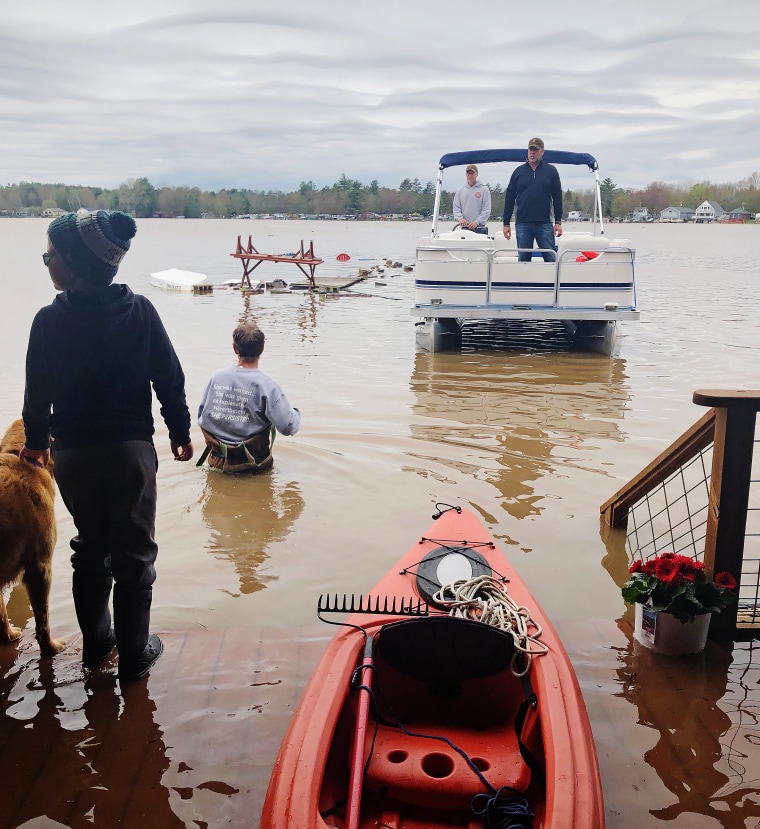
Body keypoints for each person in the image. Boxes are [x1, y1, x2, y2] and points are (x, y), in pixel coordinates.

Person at [20, 209, 193, 683]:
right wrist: (179, 431)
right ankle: (135, 655)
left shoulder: (47, 321)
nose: (46, 262)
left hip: (73, 456)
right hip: (130, 453)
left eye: (49, 255)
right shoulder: (140, 311)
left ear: (73, 265)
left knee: (90, 550)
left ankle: (98, 645)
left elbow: (37, 394)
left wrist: (36, 443)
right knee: (135, 554)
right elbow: (169, 379)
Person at [197, 322, 300, 473]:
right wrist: (296, 414)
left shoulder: (216, 378)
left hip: (217, 463)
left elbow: (202, 417)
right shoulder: (268, 386)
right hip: (253, 467)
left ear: (235, 349)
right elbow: (287, 426)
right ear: (262, 349)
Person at [502, 137, 563, 261]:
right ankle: (524, 280)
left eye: (535, 150)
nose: (532, 153)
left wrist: (558, 222)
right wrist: (506, 223)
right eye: (530, 150)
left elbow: (557, 196)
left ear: (542, 151)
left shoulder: (551, 171)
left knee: (551, 258)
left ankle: (553, 280)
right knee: (523, 259)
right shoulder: (518, 172)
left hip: (544, 223)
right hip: (523, 223)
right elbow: (509, 198)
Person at [453, 164, 491, 235]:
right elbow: (456, 207)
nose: (470, 176)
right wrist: (460, 218)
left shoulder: (484, 189)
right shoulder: (460, 191)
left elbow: (486, 210)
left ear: (477, 174)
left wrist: (477, 222)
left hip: (480, 227)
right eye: (468, 173)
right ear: (466, 174)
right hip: (464, 228)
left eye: (472, 173)